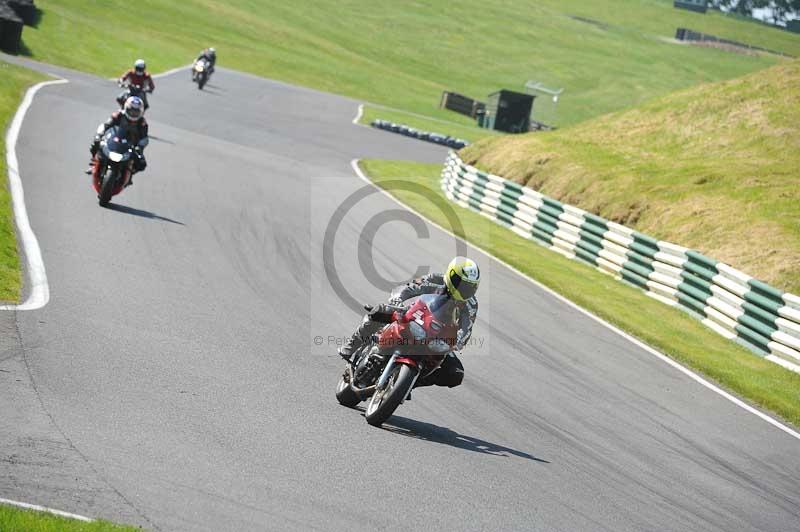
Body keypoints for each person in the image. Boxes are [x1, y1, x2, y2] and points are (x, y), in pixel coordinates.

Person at [338, 257, 480, 389]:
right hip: (416, 315)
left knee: (455, 374)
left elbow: (467, 329)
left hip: (438, 336)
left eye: (470, 286)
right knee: (380, 311)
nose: (464, 289)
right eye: (461, 283)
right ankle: (352, 345)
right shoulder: (436, 279)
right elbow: (409, 287)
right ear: (450, 275)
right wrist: (397, 299)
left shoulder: (471, 304)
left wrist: (457, 342)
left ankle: (409, 381)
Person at [88, 96, 149, 185]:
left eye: (136, 111)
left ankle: (130, 174)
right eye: (131, 110)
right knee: (95, 144)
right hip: (114, 139)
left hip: (131, 145)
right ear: (126, 108)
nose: (133, 113)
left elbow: (144, 138)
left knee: (141, 163)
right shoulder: (118, 115)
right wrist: (99, 135)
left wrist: (139, 147)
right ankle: (94, 162)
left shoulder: (142, 123)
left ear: (141, 112)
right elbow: (105, 125)